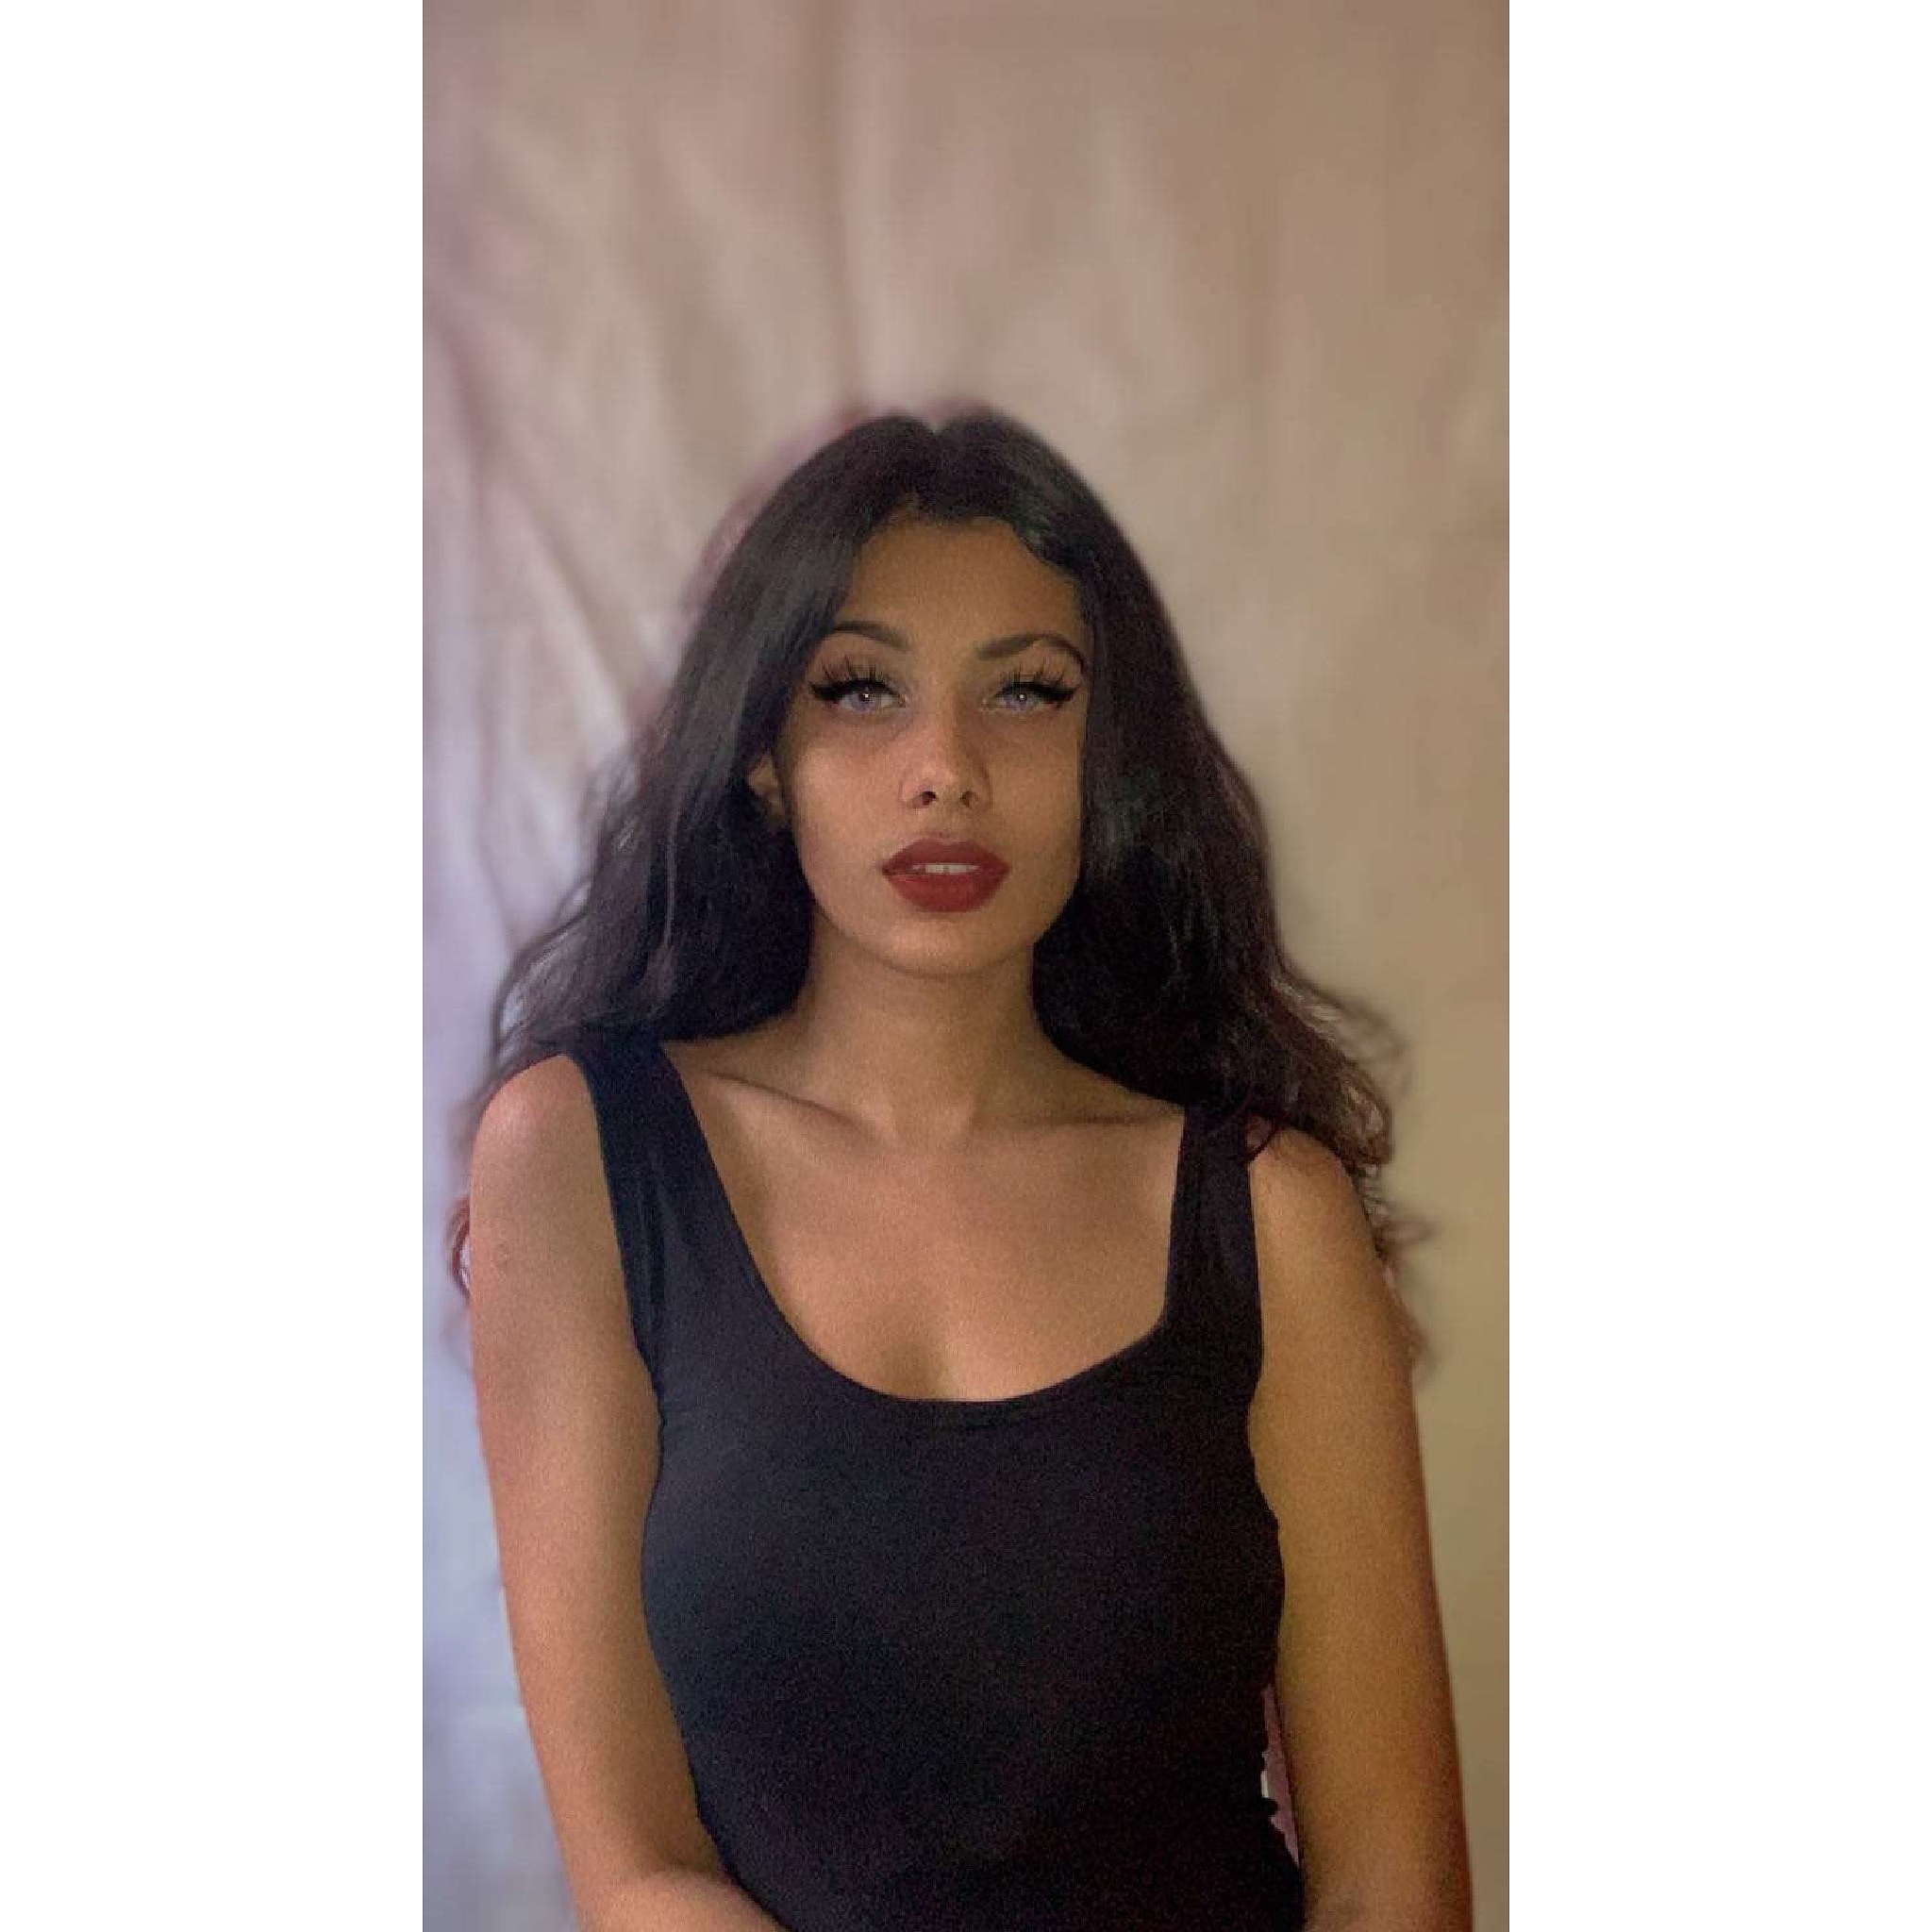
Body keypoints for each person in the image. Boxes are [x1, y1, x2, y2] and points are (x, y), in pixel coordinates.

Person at [448, 408, 1472, 1931]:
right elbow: (638, 1868)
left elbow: (1396, 1881)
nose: (946, 769)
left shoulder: (1269, 1216)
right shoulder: (584, 1164)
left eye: (1028, 692)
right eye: (861, 689)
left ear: (1108, 760)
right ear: (764, 758)